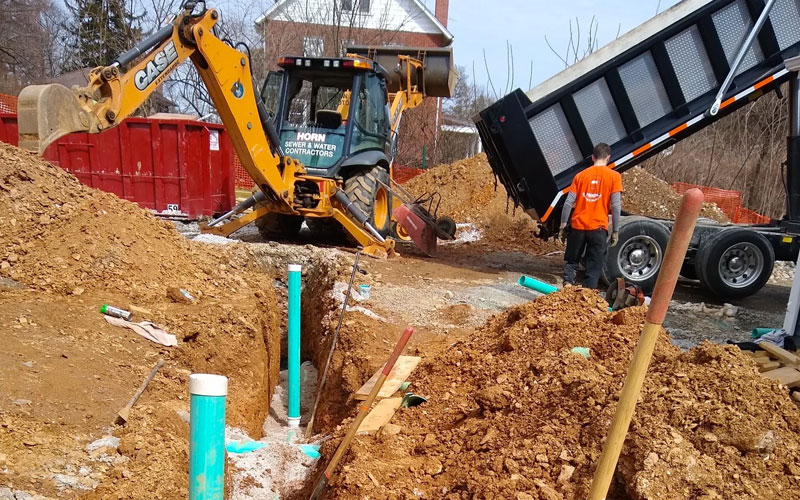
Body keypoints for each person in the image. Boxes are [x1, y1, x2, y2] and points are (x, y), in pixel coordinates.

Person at [559, 143, 622, 289]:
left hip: (578, 225)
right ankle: (587, 294)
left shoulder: (580, 176)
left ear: (593, 157)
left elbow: (568, 203)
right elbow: (616, 206)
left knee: (572, 261)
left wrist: (563, 226)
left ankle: (567, 285)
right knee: (594, 265)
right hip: (598, 227)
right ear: (608, 158)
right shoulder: (614, 177)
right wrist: (615, 230)